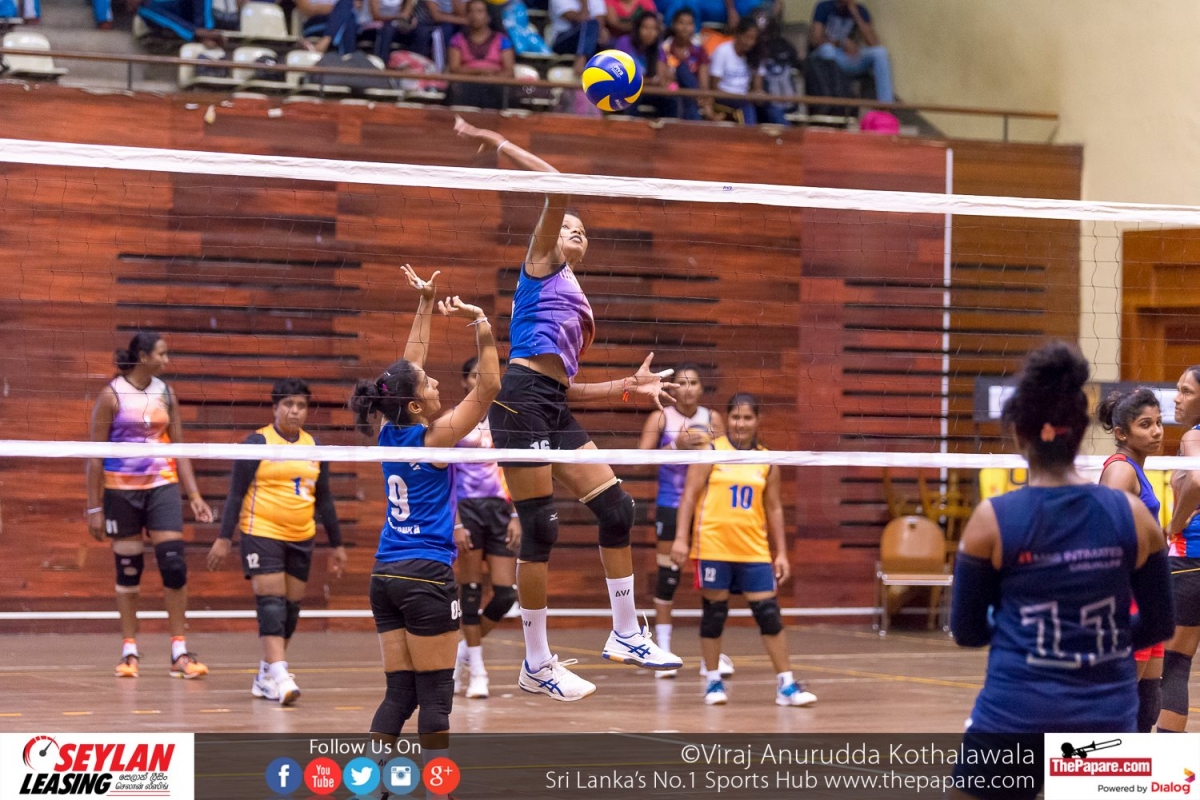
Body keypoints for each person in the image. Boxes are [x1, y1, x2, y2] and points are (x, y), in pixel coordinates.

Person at [454, 115, 682, 702]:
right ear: (551, 237)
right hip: (519, 402)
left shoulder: (574, 294)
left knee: (617, 509)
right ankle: (536, 663)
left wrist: (627, 387)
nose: (575, 231)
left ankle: (625, 633)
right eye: (568, 227)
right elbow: (556, 186)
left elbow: (565, 386)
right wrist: (497, 142)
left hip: (548, 402)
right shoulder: (540, 264)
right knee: (541, 527)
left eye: (583, 231)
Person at [950, 343, 1172, 799]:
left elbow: (967, 632)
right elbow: (1159, 623)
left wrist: (1025, 636)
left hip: (1015, 716)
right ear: (1082, 433)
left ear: (1019, 435)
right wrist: (1102, 643)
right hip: (1105, 720)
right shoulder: (1134, 516)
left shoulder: (991, 521)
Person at [349, 266, 499, 786]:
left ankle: (367, 784)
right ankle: (439, 788)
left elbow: (406, 367)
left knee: (400, 693)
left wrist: (425, 304)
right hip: (427, 576)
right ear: (415, 404)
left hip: (385, 575)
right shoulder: (434, 439)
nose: (437, 382)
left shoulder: (389, 431)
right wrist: (482, 324)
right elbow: (490, 385)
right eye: (430, 384)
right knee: (435, 697)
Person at [205, 379, 348, 707]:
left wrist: (337, 544)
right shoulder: (257, 442)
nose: (294, 411)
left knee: (290, 610)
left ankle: (266, 674)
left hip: (302, 535)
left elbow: (325, 499)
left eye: (301, 405)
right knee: (271, 603)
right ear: (275, 407)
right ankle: (281, 675)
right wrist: (224, 538)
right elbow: (235, 494)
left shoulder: (314, 447)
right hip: (261, 531)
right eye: (288, 404)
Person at [670, 393, 814, 707]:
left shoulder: (767, 460)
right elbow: (689, 497)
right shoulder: (710, 452)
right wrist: (681, 538)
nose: (741, 423)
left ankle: (786, 685)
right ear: (727, 418)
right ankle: (713, 682)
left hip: (753, 550)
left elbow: (774, 508)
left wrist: (782, 553)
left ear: (758, 420)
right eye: (736, 416)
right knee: (714, 614)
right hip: (713, 547)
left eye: (748, 417)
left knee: (769, 615)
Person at [87, 331, 215, 679]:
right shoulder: (111, 395)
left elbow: (179, 448)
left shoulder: (166, 393)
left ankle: (179, 651)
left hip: (162, 487)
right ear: (143, 356)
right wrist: (93, 508)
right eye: (161, 354)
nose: (166, 360)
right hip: (120, 492)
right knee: (128, 570)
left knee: (174, 565)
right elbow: (95, 457)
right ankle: (129, 650)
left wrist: (195, 496)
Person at [638, 363, 726, 679]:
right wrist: (676, 445)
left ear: (702, 388)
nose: (687, 389)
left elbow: (727, 460)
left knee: (712, 580)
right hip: (671, 505)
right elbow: (640, 458)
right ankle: (662, 651)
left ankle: (710, 657)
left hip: (706, 508)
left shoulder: (713, 418)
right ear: (672, 388)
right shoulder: (661, 417)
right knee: (668, 577)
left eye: (693, 383)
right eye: (681, 383)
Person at [451, 356, 522, 700]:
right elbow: (444, 476)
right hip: (466, 509)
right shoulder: (454, 420)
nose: (483, 379)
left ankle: (464, 651)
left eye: (488, 375)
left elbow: (516, 469)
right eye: (476, 375)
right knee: (471, 592)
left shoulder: (505, 418)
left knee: (505, 594)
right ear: (465, 381)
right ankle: (478, 671)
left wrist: (516, 514)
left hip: (499, 509)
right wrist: (456, 522)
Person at [1097, 387, 1165, 733]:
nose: (1156, 431)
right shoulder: (1121, 471)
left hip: (1146, 595)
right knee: (1121, 706)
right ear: (1122, 433)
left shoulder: (1136, 469)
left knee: (1147, 703)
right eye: (1145, 425)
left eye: (1158, 422)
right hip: (1127, 598)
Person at [1159, 365, 1200, 733]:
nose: (1177, 398)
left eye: (1186, 391)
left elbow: (1198, 480)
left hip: (1192, 560)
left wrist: (1175, 524)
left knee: (1174, 664)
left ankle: (1165, 758)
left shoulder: (1194, 436)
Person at [807, 0, 893, 103]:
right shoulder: (824, 7)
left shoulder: (860, 10)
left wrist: (856, 14)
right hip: (828, 58)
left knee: (880, 52)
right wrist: (841, 43)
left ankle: (886, 104)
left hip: (849, 58)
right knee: (827, 49)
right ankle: (834, 103)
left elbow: (873, 43)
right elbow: (815, 40)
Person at [447, 0, 516, 110]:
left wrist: (493, 78)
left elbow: (509, 71)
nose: (474, 15)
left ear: (488, 17)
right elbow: (454, 69)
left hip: (495, 86)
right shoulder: (457, 40)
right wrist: (480, 72)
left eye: (479, 11)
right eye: (471, 11)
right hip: (466, 86)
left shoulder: (502, 40)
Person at [709, 17, 764, 125]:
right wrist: (740, 97)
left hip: (745, 97)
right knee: (746, 107)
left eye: (753, 39)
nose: (750, 42)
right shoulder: (722, 51)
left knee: (771, 106)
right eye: (747, 37)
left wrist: (758, 94)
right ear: (738, 35)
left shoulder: (756, 54)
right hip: (724, 96)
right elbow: (714, 87)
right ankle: (749, 133)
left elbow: (758, 87)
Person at [659, 8, 711, 121]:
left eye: (689, 24)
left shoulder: (699, 50)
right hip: (672, 92)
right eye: (681, 23)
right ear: (673, 24)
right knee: (681, 69)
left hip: (694, 94)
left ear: (694, 26)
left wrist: (700, 95)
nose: (685, 27)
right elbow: (664, 79)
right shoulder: (665, 47)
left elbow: (703, 82)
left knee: (688, 98)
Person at [612, 9, 661, 115]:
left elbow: (660, 78)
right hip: (625, 91)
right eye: (645, 27)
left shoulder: (658, 49)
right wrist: (649, 81)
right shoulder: (624, 42)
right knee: (632, 96)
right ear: (637, 28)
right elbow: (621, 76)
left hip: (648, 92)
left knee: (672, 101)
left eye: (654, 29)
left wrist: (649, 81)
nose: (650, 32)